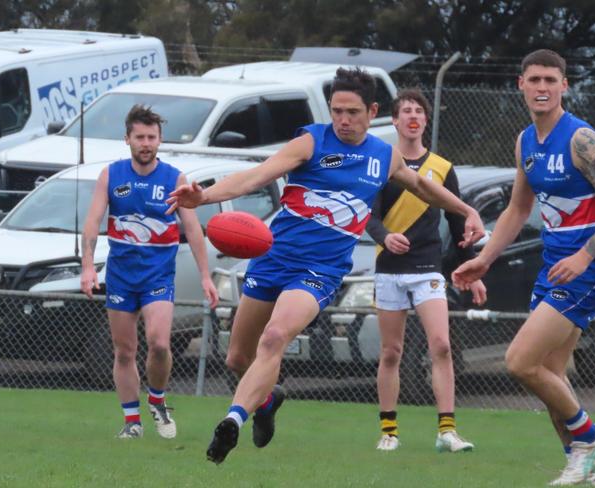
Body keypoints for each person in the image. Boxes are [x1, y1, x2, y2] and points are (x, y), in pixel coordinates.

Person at [165, 67, 485, 465]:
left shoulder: (384, 156)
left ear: (371, 111)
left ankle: (233, 419)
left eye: (352, 112)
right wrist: (205, 195)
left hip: (320, 270)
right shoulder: (311, 141)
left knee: (275, 337)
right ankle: (265, 404)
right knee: (236, 358)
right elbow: (256, 176)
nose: (343, 120)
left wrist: (466, 208)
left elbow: (422, 186)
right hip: (274, 257)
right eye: (337, 111)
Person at [452, 49, 595, 486]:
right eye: (534, 80)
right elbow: (517, 207)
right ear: (520, 85)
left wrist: (584, 256)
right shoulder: (526, 140)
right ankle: (582, 469)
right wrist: (484, 260)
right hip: (554, 267)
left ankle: (590, 436)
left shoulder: (582, 139)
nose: (542, 87)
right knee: (551, 376)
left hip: (589, 267)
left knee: (520, 362)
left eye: (550, 80)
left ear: (564, 86)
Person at [80, 104, 219, 439]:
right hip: (121, 276)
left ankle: (157, 400)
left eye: (151, 137)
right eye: (139, 137)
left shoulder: (174, 179)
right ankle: (132, 423)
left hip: (158, 276)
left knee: (158, 343)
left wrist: (204, 276)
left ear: (160, 140)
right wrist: (87, 267)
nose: (146, 143)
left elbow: (193, 230)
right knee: (124, 350)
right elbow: (93, 222)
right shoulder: (111, 175)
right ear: (127, 139)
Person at [366, 89, 486, 453]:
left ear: (425, 120)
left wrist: (474, 270)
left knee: (441, 345)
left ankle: (447, 431)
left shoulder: (443, 168)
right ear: (396, 119)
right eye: (406, 110)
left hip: (427, 269)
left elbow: (458, 221)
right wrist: (386, 238)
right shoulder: (382, 163)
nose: (413, 116)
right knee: (391, 352)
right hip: (389, 270)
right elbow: (368, 218)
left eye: (419, 110)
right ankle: (389, 431)